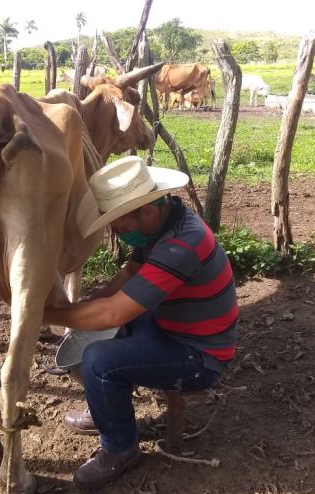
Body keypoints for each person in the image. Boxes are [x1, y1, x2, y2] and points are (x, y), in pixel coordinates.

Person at [43, 156, 238, 489]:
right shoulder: (163, 223)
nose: (119, 235)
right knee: (108, 328)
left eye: (121, 228)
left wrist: (45, 314)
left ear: (146, 211)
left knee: (98, 359)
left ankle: (121, 449)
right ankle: (107, 411)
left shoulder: (181, 244)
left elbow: (113, 313)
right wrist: (96, 299)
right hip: (174, 329)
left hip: (201, 356)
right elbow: (131, 273)